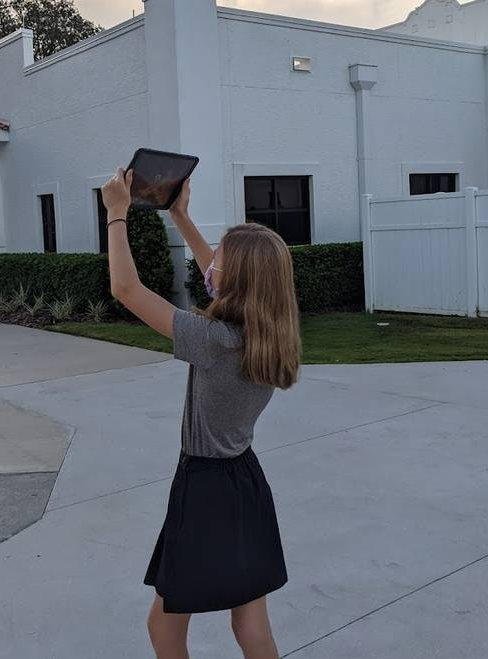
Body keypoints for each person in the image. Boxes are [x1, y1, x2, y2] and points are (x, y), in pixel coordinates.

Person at [100, 167, 301, 659]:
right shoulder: (267, 335)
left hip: (205, 487)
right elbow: (220, 273)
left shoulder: (213, 341)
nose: (212, 267)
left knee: (164, 627)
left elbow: (126, 290)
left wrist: (117, 214)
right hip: (244, 481)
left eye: (222, 263)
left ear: (238, 282)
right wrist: (181, 216)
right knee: (251, 623)